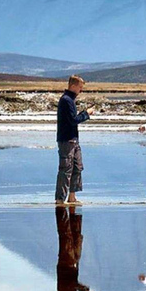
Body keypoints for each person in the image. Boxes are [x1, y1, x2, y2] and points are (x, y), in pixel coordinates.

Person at [55, 75, 94, 205]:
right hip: (67, 140)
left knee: (77, 167)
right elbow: (73, 120)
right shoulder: (66, 100)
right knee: (66, 169)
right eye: (80, 87)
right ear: (73, 86)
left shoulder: (70, 100)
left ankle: (72, 196)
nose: (81, 90)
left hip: (73, 139)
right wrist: (86, 114)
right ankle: (60, 198)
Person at [56, 206, 95, 291]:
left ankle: (61, 209)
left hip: (66, 263)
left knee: (66, 236)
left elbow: (70, 284)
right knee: (76, 235)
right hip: (74, 263)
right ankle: (76, 209)